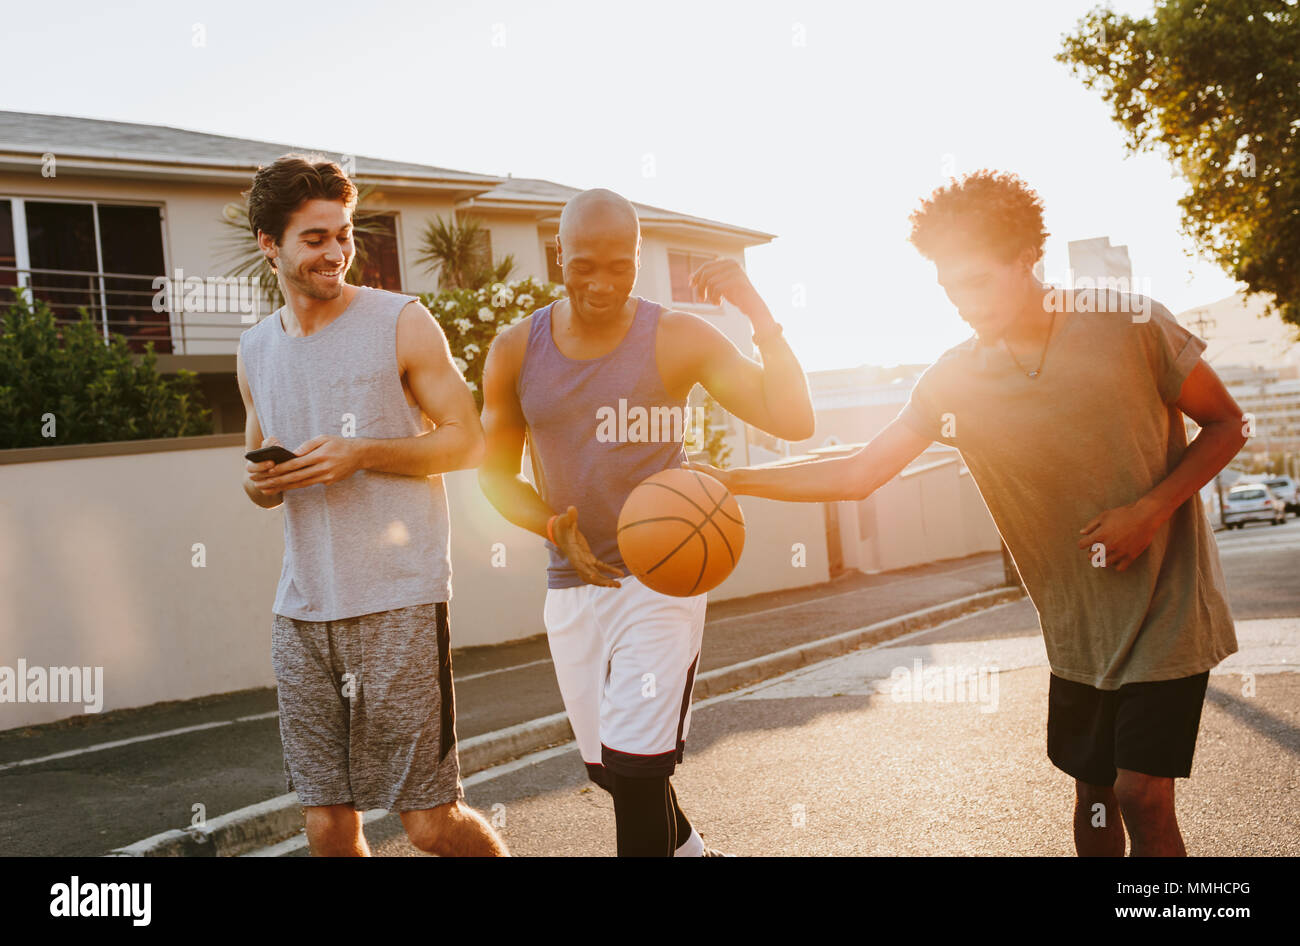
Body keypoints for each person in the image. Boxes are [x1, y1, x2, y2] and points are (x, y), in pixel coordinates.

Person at [688, 170, 1244, 857]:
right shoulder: (955, 379)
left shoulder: (1130, 324)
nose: (961, 303)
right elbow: (860, 472)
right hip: (1077, 627)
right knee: (1093, 794)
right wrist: (731, 479)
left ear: (1025, 259)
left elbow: (1227, 424)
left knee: (1139, 793)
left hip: (1168, 606)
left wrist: (1151, 510)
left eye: (977, 282)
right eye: (948, 287)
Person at [478, 188, 815, 856]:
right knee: (612, 773)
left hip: (663, 577)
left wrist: (757, 312)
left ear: (637, 259)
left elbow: (793, 419)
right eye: (585, 265)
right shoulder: (516, 350)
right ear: (558, 256)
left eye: (620, 266)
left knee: (637, 773)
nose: (602, 283)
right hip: (575, 583)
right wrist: (552, 528)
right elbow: (493, 476)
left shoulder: (677, 336)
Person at [236, 154, 507, 856]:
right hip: (301, 611)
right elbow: (254, 470)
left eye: (344, 233)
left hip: (398, 603)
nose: (336, 252)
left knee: (428, 822)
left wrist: (363, 454)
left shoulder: (401, 322)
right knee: (326, 824)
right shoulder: (254, 350)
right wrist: (262, 485)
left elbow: (468, 442)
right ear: (270, 243)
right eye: (315, 238)